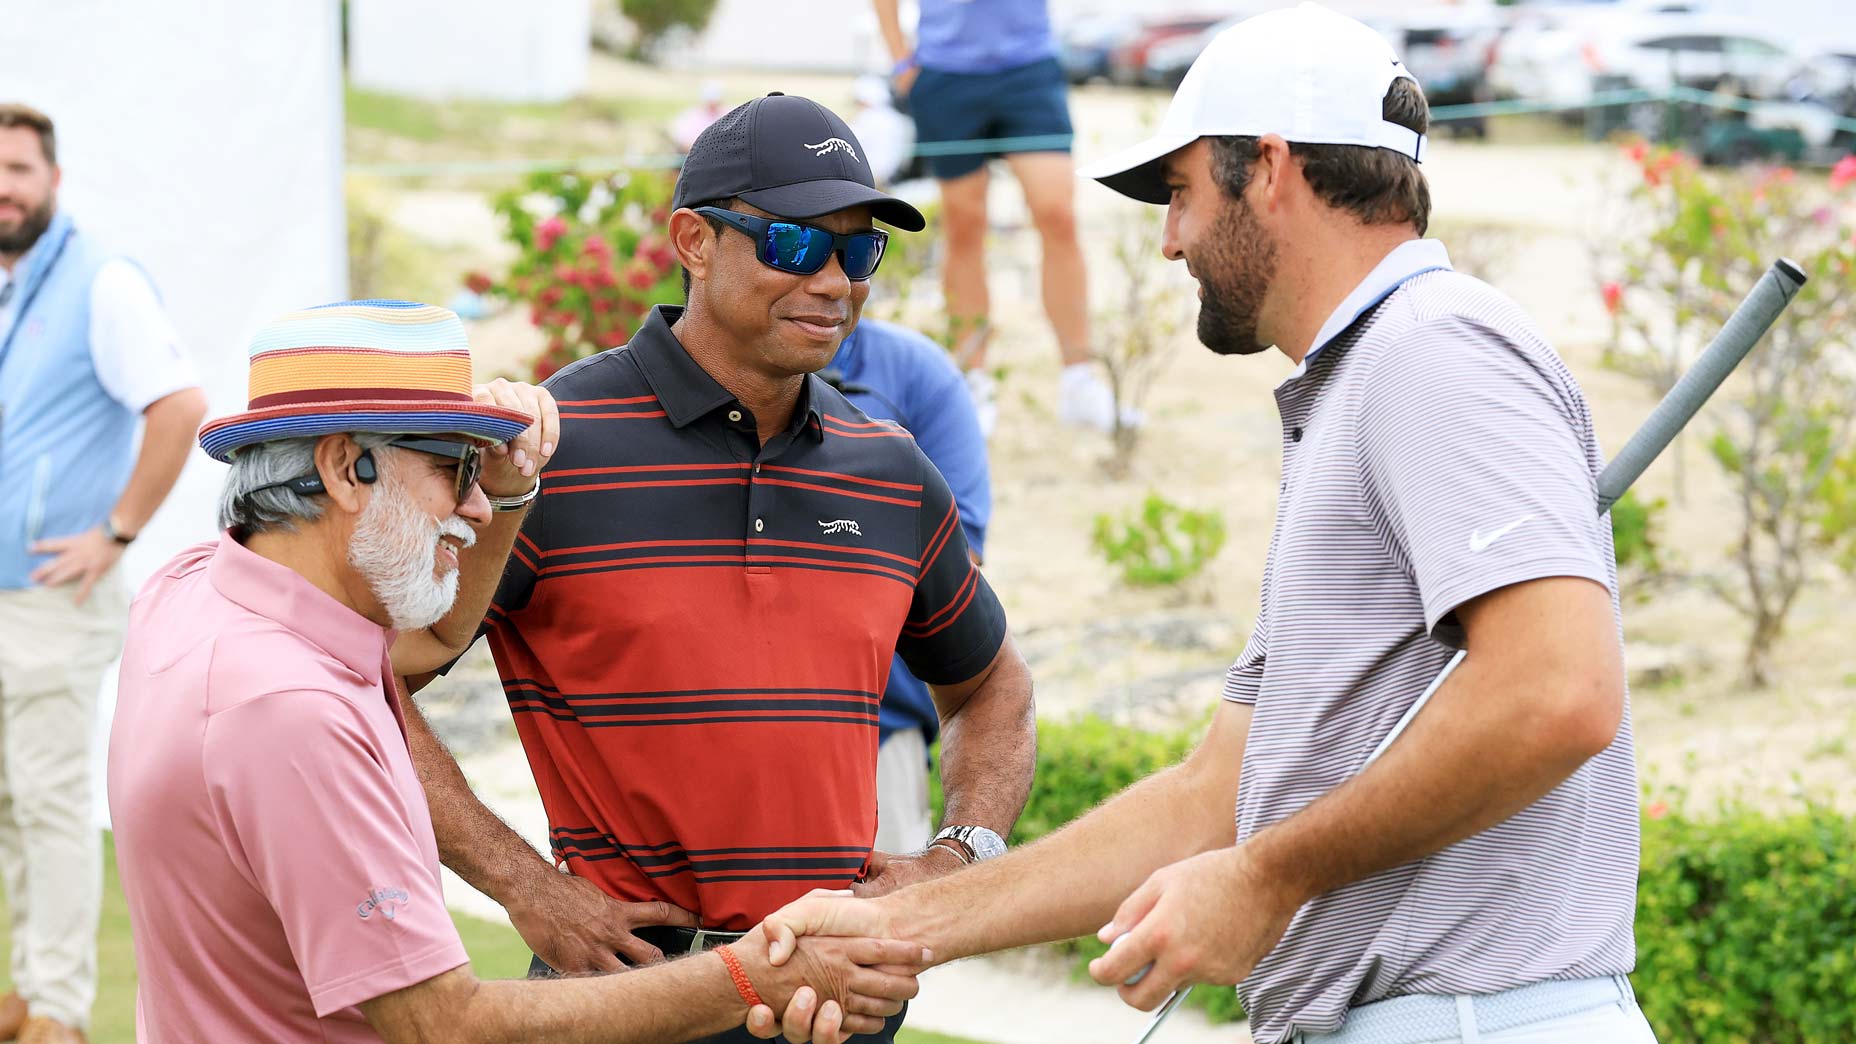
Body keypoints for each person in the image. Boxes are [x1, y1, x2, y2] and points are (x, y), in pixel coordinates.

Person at [766, 7, 1660, 1044]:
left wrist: (1267, 877)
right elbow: (1214, 796)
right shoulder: (1362, 382)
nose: (1169, 238)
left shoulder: (1434, 352)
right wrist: (903, 920)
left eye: (1182, 191)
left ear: (1268, 169)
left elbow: (1558, 692)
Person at [392, 94, 1036, 1044]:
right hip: (628, 998)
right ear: (693, 241)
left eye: (859, 252)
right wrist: (523, 885)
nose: (834, 282)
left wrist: (955, 858)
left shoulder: (889, 467)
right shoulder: (551, 449)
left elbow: (992, 688)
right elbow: (360, 683)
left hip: (840, 1004)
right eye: (794, 243)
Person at [108, 299, 924, 1044]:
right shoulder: (292, 711)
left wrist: (508, 490)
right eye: (454, 469)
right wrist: (755, 975)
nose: (475, 506)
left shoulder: (194, 591)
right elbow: (444, 1024)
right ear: (345, 467)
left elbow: (435, 635)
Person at [0, 103, 207, 1044]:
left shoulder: (101, 281)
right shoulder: (12, 288)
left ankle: (58, 1010)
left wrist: (116, 533)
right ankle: (26, 986)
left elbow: (180, 406)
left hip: (53, 598)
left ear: (53, 180)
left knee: (48, 803)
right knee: (11, 804)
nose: (4, 189)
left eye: (18, 170)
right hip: (7, 597)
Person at [873, 0, 1119, 435]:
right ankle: (973, 382)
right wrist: (901, 60)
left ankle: (1080, 380)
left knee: (1057, 213)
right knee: (964, 227)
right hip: (945, 74)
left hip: (1029, 68)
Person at [820, 318, 991, 854]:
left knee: (881, 901)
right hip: (703, 733)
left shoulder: (916, 373)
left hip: (875, 727)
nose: (830, 282)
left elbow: (957, 557)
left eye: (858, 270)